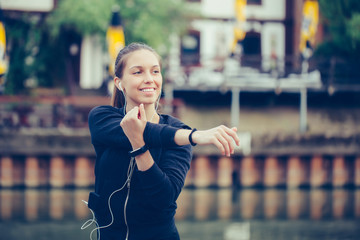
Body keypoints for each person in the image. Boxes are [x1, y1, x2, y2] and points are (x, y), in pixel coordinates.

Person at [84, 42, 240, 240]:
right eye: (138, 72)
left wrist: (140, 148)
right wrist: (194, 136)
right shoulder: (102, 118)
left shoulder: (178, 132)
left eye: (155, 71)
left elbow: (163, 199)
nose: (149, 79)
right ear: (119, 82)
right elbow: (147, 131)